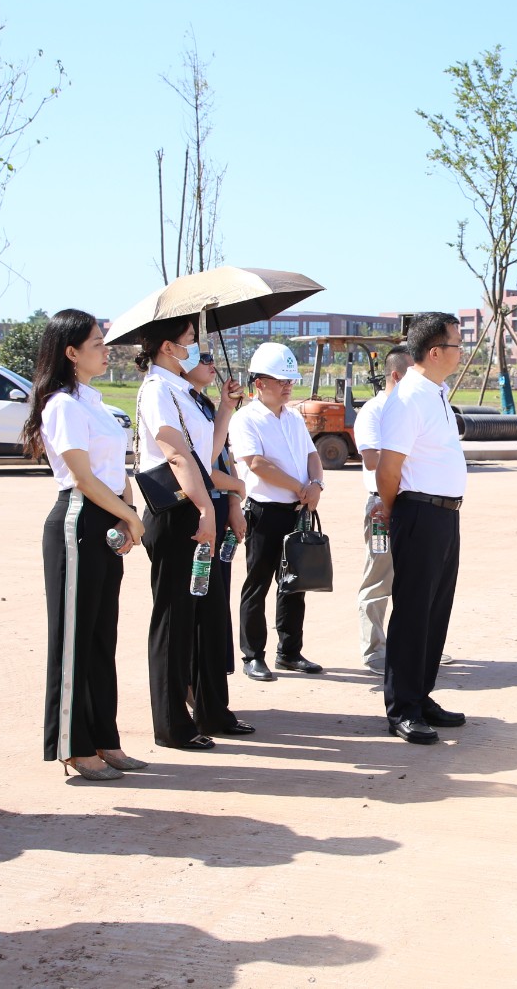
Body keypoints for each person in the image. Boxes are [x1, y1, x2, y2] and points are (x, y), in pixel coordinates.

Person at [22, 309, 149, 781]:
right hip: (79, 519)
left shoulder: (93, 403)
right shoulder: (62, 406)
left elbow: (116, 470)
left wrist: (127, 510)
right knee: (74, 639)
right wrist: (129, 516)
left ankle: (104, 740)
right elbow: (82, 477)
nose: (106, 350)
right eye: (97, 343)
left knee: (100, 638)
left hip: (108, 517)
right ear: (71, 352)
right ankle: (73, 746)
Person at [134, 317, 246, 750]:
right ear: (167, 347)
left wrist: (225, 409)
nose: (196, 348)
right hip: (179, 512)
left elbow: (205, 454)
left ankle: (212, 712)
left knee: (207, 616)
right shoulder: (157, 390)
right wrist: (204, 509)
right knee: (175, 620)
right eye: (190, 341)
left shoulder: (181, 391)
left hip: (199, 510)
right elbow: (177, 457)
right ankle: (172, 725)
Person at [374, 313, 470, 744]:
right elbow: (388, 469)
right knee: (413, 612)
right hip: (418, 513)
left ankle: (421, 694)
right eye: (456, 344)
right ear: (434, 352)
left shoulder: (437, 393)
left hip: (444, 515)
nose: (461, 351)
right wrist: (393, 511)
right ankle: (402, 708)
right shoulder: (408, 398)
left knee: (435, 611)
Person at [228, 342, 325, 681]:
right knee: (258, 584)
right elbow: (256, 464)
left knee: (294, 584)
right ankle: (253, 655)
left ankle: (289, 651)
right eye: (281, 380)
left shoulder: (293, 417)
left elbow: (312, 455)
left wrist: (316, 484)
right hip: (265, 512)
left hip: (296, 510)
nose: (288, 386)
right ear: (259, 383)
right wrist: (300, 487)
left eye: (290, 380)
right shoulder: (245, 419)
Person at [354, 346, 453, 675]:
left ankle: (417, 646)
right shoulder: (374, 410)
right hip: (383, 504)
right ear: (397, 375)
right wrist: (410, 453)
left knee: (418, 580)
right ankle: (375, 649)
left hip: (416, 504)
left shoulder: (421, 403)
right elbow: (373, 460)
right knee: (379, 578)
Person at [181, 348, 254, 736]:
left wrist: (235, 502)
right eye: (202, 358)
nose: (211, 365)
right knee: (198, 613)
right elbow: (201, 468)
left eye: (212, 359)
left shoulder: (204, 405)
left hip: (221, 514)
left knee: (214, 612)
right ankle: (195, 692)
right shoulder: (177, 402)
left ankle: (211, 697)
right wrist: (238, 486)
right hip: (200, 519)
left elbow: (223, 456)